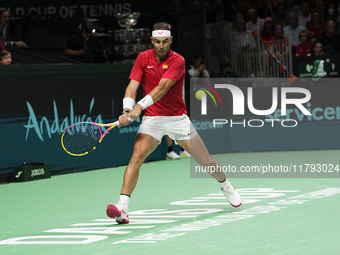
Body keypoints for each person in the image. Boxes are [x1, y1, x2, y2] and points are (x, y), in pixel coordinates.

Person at [106, 22, 242, 224]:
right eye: (157, 42)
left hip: (178, 119)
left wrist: (138, 107)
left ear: (171, 40)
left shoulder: (178, 60)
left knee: (207, 163)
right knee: (136, 157)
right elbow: (132, 86)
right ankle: (122, 207)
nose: (161, 46)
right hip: (152, 120)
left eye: (165, 42)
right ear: (152, 41)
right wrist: (127, 109)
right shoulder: (143, 58)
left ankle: (225, 185)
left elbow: (162, 89)